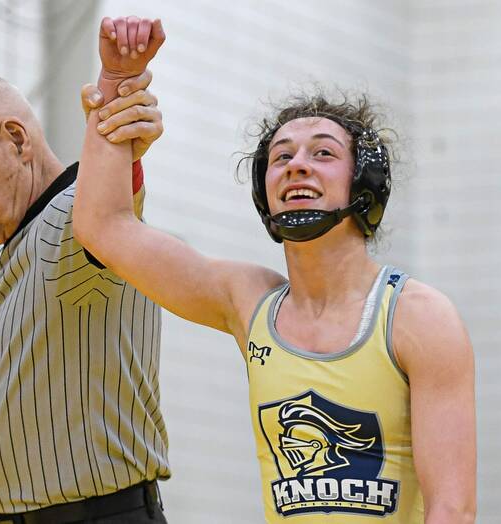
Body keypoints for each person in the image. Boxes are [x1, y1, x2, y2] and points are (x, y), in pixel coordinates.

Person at [75, 16, 477, 523]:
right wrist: (116, 85)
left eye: (323, 153)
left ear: (365, 182)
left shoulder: (419, 317)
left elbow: (453, 510)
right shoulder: (248, 301)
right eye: (281, 157)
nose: (296, 165)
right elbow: (103, 228)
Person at [0, 35, 169, 524]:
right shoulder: (23, 238)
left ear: (16, 139)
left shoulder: (78, 215)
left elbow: (111, 203)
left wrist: (117, 107)